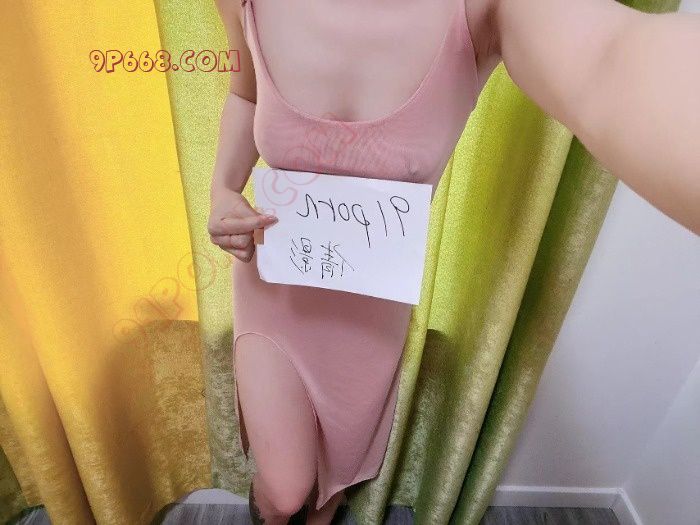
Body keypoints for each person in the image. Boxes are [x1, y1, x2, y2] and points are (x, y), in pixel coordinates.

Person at [209, 0, 699, 523]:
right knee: (285, 490)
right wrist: (223, 190)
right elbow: (245, 92)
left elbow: (608, 60)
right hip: (276, 289)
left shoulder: (483, 10)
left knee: (332, 486)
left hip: (369, 316)